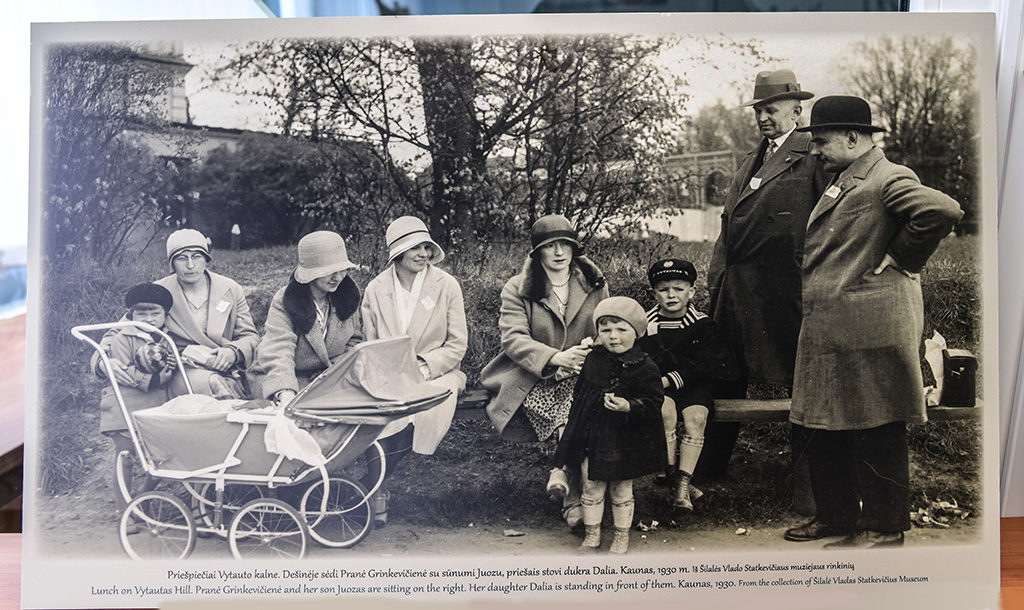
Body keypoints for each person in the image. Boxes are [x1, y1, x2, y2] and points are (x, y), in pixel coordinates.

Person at [782, 95, 963, 548]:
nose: (816, 151)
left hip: (870, 328)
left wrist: (902, 257)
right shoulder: (842, 179)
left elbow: (942, 210)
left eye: (821, 141)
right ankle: (836, 518)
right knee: (824, 422)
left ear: (852, 137)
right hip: (831, 327)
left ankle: (885, 526)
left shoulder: (886, 176)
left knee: (878, 426)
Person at [706, 69, 829, 476]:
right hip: (736, 293)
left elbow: (831, 218)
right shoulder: (750, 159)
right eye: (759, 109)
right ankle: (708, 469)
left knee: (804, 383)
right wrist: (717, 278)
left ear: (797, 109)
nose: (763, 117)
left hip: (787, 292)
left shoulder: (815, 153)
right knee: (723, 379)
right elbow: (729, 224)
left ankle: (811, 481)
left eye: (771, 109)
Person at [479, 214, 609, 529]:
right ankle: (574, 497)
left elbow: (609, 325)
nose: (559, 252)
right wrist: (555, 358)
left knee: (579, 406)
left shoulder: (593, 281)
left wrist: (586, 351)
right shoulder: (518, 288)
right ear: (537, 252)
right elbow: (513, 339)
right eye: (550, 246)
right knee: (572, 412)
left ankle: (566, 482)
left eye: (566, 244)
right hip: (531, 375)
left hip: (583, 370)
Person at [360, 216, 468, 527]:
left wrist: (424, 367)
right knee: (380, 411)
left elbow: (457, 344)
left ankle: (373, 484)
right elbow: (371, 342)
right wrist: (391, 371)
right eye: (415, 248)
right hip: (389, 373)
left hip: (438, 373)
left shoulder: (446, 285)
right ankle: (377, 489)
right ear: (397, 252)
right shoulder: (376, 289)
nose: (422, 253)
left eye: (426, 247)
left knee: (417, 410)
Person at [551, 296, 665, 554]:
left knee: (621, 487)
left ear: (636, 332)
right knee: (591, 484)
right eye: (606, 330)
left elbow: (654, 400)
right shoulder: (593, 360)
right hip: (592, 436)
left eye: (621, 329)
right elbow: (580, 395)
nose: (613, 336)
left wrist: (629, 405)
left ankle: (621, 536)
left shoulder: (645, 366)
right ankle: (592, 535)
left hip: (625, 439)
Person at [102, 229, 258, 399]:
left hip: (226, 363)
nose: (191, 265)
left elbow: (249, 336)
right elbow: (119, 330)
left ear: (206, 258)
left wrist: (233, 352)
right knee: (214, 384)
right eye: (182, 258)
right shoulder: (158, 292)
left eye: (197, 256)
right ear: (172, 263)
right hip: (180, 367)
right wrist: (103, 361)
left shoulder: (230, 288)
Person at [638, 259, 737, 512]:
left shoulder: (702, 324)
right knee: (664, 411)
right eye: (663, 289)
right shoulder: (645, 324)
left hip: (694, 385)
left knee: (696, 418)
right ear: (654, 293)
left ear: (691, 292)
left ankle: (683, 482)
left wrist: (670, 378)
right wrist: (658, 381)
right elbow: (641, 359)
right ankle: (673, 478)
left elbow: (705, 365)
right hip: (660, 387)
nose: (671, 295)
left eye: (679, 289)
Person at [250, 230, 362, 406]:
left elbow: (353, 343)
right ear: (310, 272)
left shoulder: (346, 298)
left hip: (326, 379)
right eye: (329, 271)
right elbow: (278, 350)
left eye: (342, 270)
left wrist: (333, 373)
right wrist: (285, 392)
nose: (338, 277)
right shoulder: (286, 300)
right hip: (286, 378)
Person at [93, 283, 176, 510]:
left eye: (155, 313)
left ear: (165, 316)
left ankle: (142, 496)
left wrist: (171, 366)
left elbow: (171, 367)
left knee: (163, 459)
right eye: (142, 313)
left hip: (154, 406)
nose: (148, 319)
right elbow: (123, 374)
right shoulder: (123, 337)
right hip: (123, 406)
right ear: (130, 315)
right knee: (125, 457)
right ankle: (124, 508)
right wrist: (156, 379)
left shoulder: (167, 340)